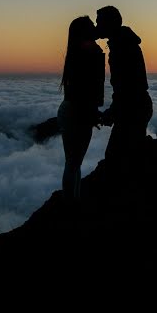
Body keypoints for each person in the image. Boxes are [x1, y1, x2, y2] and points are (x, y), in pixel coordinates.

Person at [96, 5, 153, 164]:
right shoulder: (122, 42)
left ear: (109, 24)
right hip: (137, 106)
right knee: (130, 157)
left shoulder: (122, 47)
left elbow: (127, 88)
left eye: (99, 23)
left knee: (116, 160)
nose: (96, 26)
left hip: (133, 109)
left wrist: (113, 112)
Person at [58, 15, 105, 202]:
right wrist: (92, 112)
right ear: (84, 31)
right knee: (73, 162)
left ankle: (72, 202)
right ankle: (70, 204)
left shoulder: (76, 52)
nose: (95, 28)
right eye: (91, 25)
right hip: (77, 112)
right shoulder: (89, 51)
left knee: (73, 162)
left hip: (70, 111)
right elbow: (89, 88)